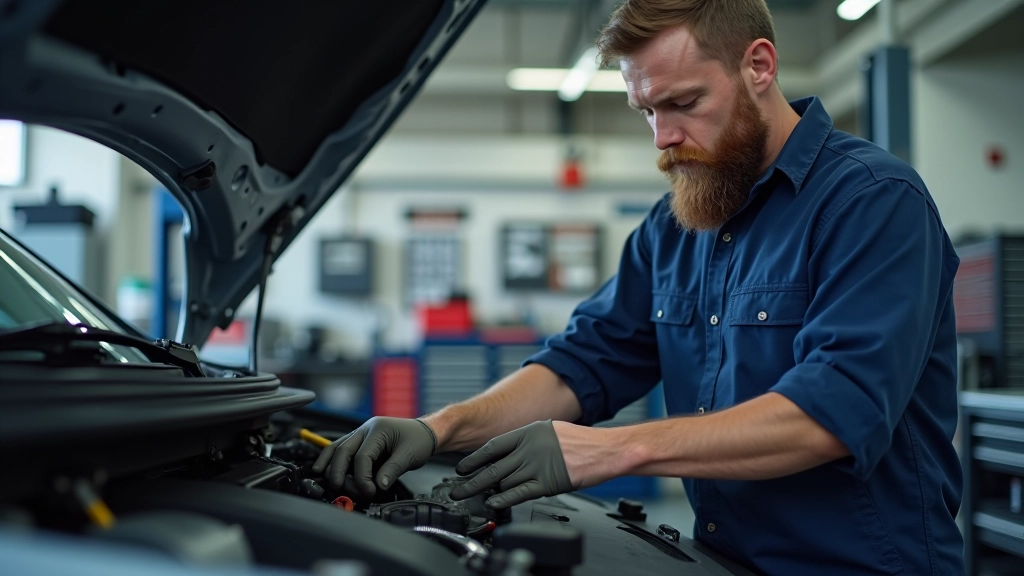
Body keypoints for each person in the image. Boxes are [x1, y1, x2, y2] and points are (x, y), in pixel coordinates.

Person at [312, 0, 964, 573]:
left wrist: (615, 448)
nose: (664, 139)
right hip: (722, 557)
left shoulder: (873, 203)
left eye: (683, 103)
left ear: (758, 66)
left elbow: (832, 415)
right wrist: (439, 427)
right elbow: (583, 362)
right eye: (646, 110)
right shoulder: (677, 224)